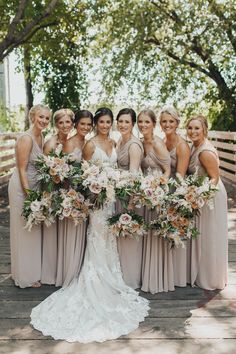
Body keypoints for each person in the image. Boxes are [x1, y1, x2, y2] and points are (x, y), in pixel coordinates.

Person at [30, 107, 149, 343]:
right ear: (95, 123)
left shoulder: (115, 144)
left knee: (109, 239)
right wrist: (95, 186)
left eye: (108, 122)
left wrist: (112, 183)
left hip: (112, 198)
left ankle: (112, 275)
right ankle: (96, 276)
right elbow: (83, 175)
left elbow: (116, 169)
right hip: (96, 201)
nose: (105, 125)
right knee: (97, 236)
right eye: (101, 122)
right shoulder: (90, 145)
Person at [8, 104, 51, 288]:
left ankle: (29, 270)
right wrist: (30, 195)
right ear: (33, 116)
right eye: (41, 117)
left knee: (32, 229)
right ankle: (25, 276)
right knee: (23, 229)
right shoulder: (26, 138)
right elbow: (21, 169)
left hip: (35, 185)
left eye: (47, 118)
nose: (44, 121)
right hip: (22, 187)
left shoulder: (40, 136)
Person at [186, 115, 228, 290]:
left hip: (210, 196)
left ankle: (211, 278)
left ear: (204, 129)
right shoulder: (193, 146)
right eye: (190, 128)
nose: (193, 131)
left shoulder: (205, 152)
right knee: (202, 236)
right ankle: (201, 272)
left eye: (197, 128)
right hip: (201, 194)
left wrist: (200, 196)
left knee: (209, 236)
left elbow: (214, 178)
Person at [137, 109, 174, 294]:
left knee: (154, 233)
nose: (143, 125)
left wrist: (158, 188)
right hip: (143, 192)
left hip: (156, 193)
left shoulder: (158, 144)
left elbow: (167, 171)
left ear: (153, 124)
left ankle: (156, 278)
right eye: (140, 122)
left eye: (147, 122)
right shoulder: (140, 142)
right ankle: (143, 274)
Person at [55, 110, 93, 287]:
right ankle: (69, 274)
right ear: (76, 124)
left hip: (84, 195)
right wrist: (69, 199)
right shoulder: (70, 144)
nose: (85, 127)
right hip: (72, 194)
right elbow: (63, 175)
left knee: (82, 234)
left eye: (88, 124)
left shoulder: (86, 142)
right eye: (82, 124)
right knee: (72, 233)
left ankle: (78, 270)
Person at [41, 109, 74, 285]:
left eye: (68, 122)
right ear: (56, 125)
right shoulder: (51, 143)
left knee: (65, 229)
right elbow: (44, 172)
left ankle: (65, 267)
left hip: (68, 190)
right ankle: (51, 271)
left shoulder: (71, 140)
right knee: (52, 230)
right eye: (61, 123)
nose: (65, 126)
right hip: (53, 189)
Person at [159, 106, 190, 287]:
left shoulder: (182, 145)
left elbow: (180, 176)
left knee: (172, 231)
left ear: (177, 123)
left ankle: (176, 275)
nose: (167, 124)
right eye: (164, 121)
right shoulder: (163, 141)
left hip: (174, 191)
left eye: (171, 121)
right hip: (162, 190)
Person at [116, 108, 144, 289]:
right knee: (121, 238)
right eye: (120, 121)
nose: (123, 125)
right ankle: (121, 273)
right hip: (119, 193)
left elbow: (134, 176)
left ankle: (131, 279)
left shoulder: (133, 145)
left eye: (127, 122)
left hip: (129, 195)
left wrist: (131, 205)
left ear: (133, 123)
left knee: (128, 236)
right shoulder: (120, 140)